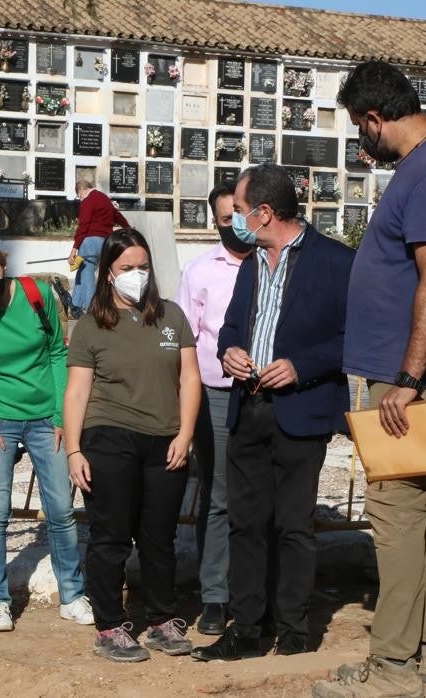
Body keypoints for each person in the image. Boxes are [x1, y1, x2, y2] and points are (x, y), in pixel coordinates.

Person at [313, 61, 426, 698]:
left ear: (376, 118)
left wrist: (409, 377)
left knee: (394, 514)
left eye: (362, 128)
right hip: (416, 376)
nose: (363, 142)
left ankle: (392, 669)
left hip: (417, 381)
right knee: (424, 515)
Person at [192, 164, 354, 662]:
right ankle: (246, 630)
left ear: (265, 213)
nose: (234, 221)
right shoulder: (251, 264)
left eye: (239, 211)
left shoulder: (337, 262)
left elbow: (355, 340)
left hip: (301, 412)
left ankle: (293, 630)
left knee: (292, 525)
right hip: (249, 406)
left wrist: (301, 366)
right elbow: (232, 326)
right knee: (245, 523)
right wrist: (230, 351)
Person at [63, 228, 202, 662]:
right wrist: (73, 450)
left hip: (165, 441)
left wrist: (185, 434)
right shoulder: (91, 326)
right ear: (108, 274)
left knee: (158, 537)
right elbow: (77, 392)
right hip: (109, 437)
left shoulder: (171, 317)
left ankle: (162, 620)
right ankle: (109, 627)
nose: (136, 275)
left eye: (143, 267)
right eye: (126, 268)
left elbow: (191, 377)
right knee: (111, 536)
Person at [0, 236, 94, 633]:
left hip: (46, 416)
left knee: (62, 509)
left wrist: (62, 413)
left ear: (3, 265)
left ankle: (73, 594)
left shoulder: (39, 294)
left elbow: (57, 353)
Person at [175, 182, 257, 636]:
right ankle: (213, 596)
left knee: (258, 496)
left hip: (265, 393)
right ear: (215, 221)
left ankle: (253, 590)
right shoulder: (200, 269)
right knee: (219, 496)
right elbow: (185, 338)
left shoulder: (271, 262)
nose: (235, 228)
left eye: (240, 219)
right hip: (216, 394)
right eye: (227, 221)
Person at [69, 180, 130, 315]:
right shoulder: (104, 198)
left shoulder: (88, 200)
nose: (80, 199)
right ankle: (75, 306)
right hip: (104, 243)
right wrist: (128, 228)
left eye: (79, 196)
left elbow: (83, 225)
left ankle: (92, 309)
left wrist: (74, 249)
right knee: (82, 271)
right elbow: (117, 215)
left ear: (81, 191)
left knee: (87, 276)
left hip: (89, 242)